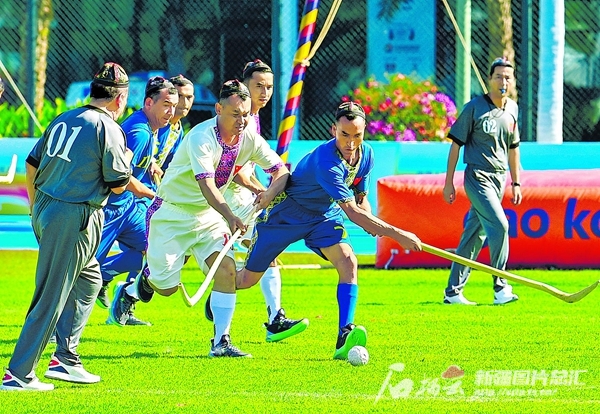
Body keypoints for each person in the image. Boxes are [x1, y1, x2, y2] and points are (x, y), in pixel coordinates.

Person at [114, 80, 290, 358]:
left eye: (246, 114)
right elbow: (207, 186)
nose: (242, 121)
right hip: (172, 214)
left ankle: (221, 342)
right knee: (166, 288)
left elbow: (281, 171)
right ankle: (139, 285)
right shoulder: (201, 137)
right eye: (235, 114)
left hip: (208, 217)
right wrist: (230, 216)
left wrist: (268, 194)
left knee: (227, 271)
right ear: (218, 109)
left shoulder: (249, 138)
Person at [235, 101, 422, 361]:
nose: (351, 143)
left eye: (357, 135)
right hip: (287, 214)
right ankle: (222, 289)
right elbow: (353, 213)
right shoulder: (327, 162)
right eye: (344, 135)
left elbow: (360, 199)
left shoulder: (366, 154)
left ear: (365, 131)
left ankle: (344, 334)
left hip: (324, 215)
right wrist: (399, 234)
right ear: (333, 130)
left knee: (348, 261)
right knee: (246, 280)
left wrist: (368, 217)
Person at [1, 62, 135, 391]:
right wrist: (128, 158)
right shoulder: (108, 127)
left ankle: (65, 359)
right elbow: (118, 184)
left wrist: (36, 209)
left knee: (90, 279)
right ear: (119, 98)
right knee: (52, 295)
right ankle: (18, 374)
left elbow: (32, 164)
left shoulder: (64, 118)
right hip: (74, 215)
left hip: (47, 207)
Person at [207, 59, 308, 343]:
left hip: (238, 197)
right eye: (258, 86)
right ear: (244, 86)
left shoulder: (253, 117)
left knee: (267, 247)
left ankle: (275, 317)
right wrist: (262, 189)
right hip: (221, 197)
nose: (264, 92)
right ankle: (134, 290)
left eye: (269, 87)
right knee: (167, 275)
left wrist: (267, 188)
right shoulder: (241, 119)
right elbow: (232, 170)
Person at [95, 77, 178, 326]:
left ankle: (112, 283)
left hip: (128, 209)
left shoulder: (152, 129)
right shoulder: (139, 132)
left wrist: (150, 166)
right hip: (109, 209)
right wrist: (152, 194)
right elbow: (119, 175)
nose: (171, 111)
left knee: (157, 250)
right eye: (166, 105)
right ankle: (54, 330)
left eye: (174, 106)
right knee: (81, 273)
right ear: (149, 103)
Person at [442, 57, 522, 306]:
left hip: (500, 178)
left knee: (474, 235)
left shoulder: (513, 109)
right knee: (500, 226)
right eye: (498, 77)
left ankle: (452, 292)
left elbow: (514, 148)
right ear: (489, 79)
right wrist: (448, 182)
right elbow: (455, 145)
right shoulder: (474, 108)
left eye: (507, 77)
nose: (503, 82)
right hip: (478, 176)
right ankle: (501, 287)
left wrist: (516, 182)